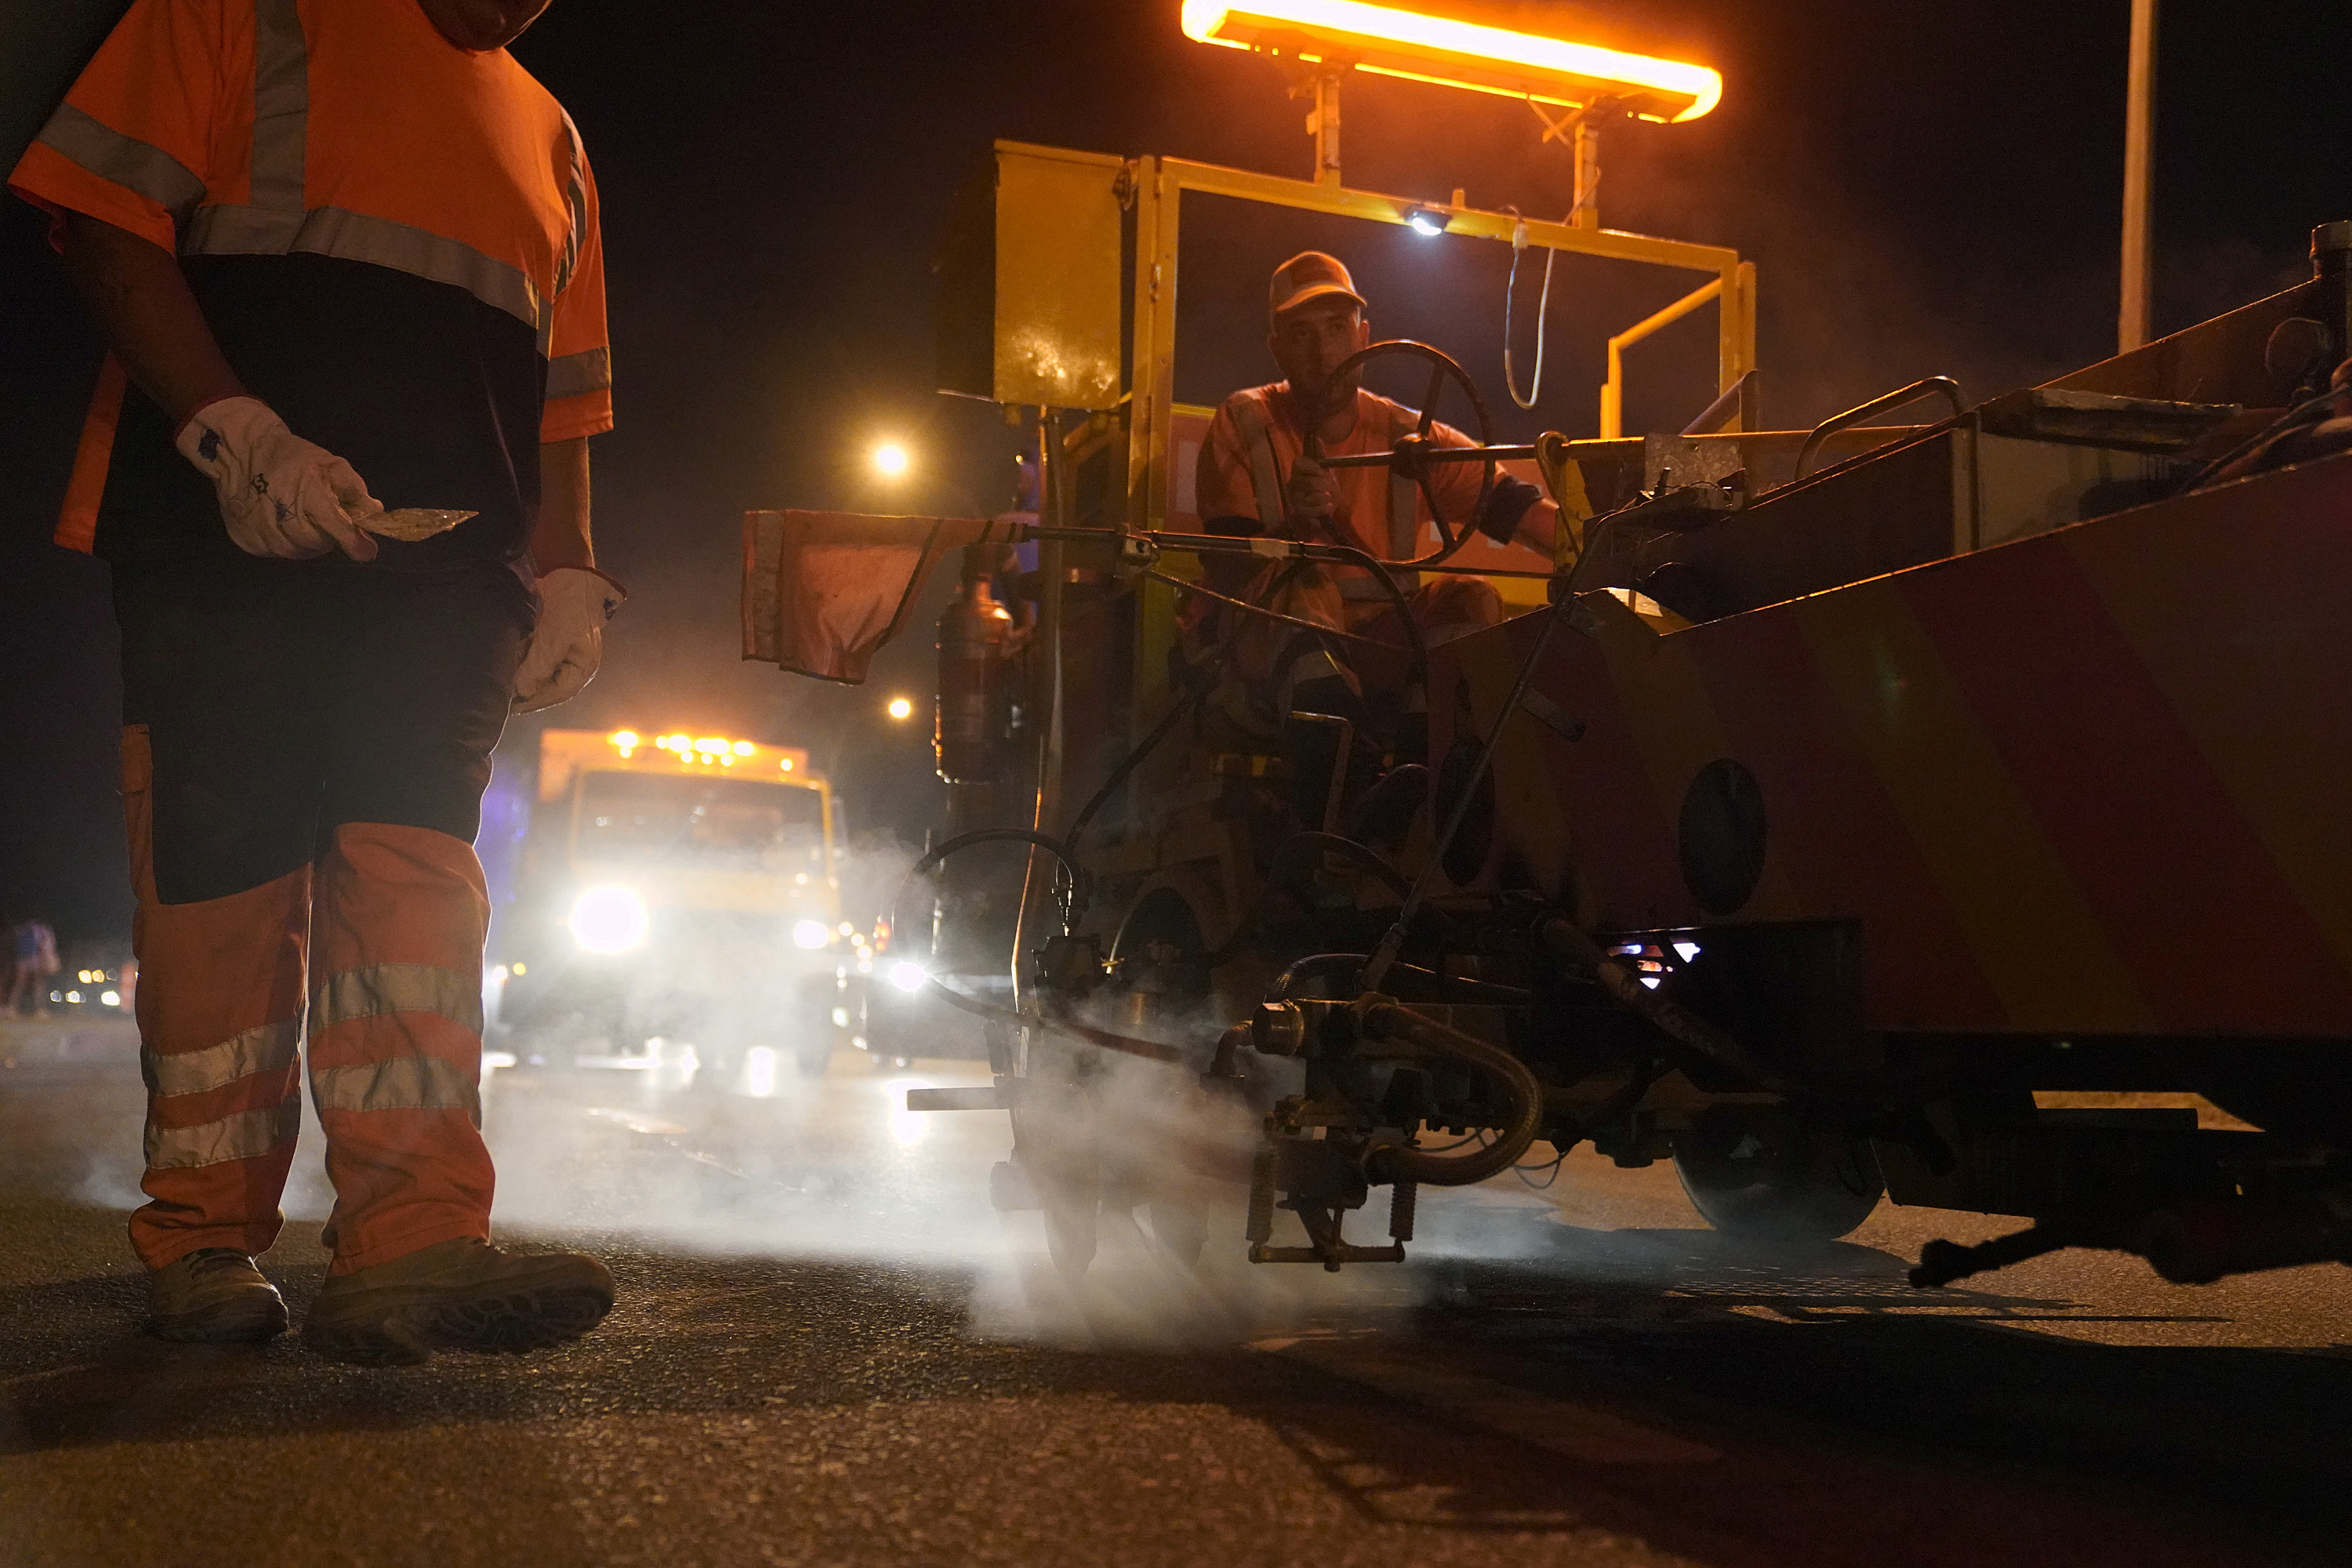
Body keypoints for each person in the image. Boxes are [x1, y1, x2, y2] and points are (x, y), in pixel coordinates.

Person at [9, 0, 622, 1363]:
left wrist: (571, 564)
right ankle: (204, 1240)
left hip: (449, 578)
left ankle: (412, 1242)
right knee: (223, 884)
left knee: (416, 886)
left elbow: (564, 393)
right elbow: (103, 214)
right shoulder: (240, 12)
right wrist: (236, 433)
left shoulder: (555, 140)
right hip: (221, 537)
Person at [1189, 251, 1563, 815]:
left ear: (1365, 334)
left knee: (1470, 597)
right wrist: (1296, 523)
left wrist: (1611, 539)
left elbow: (1521, 511)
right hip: (1265, 657)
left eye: (1337, 328)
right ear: (1276, 348)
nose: (1324, 350)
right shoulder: (1244, 423)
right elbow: (1226, 571)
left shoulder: (1404, 435)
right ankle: (1343, 803)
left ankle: (1422, 785)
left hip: (1378, 651)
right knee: (1303, 586)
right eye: (1302, 334)